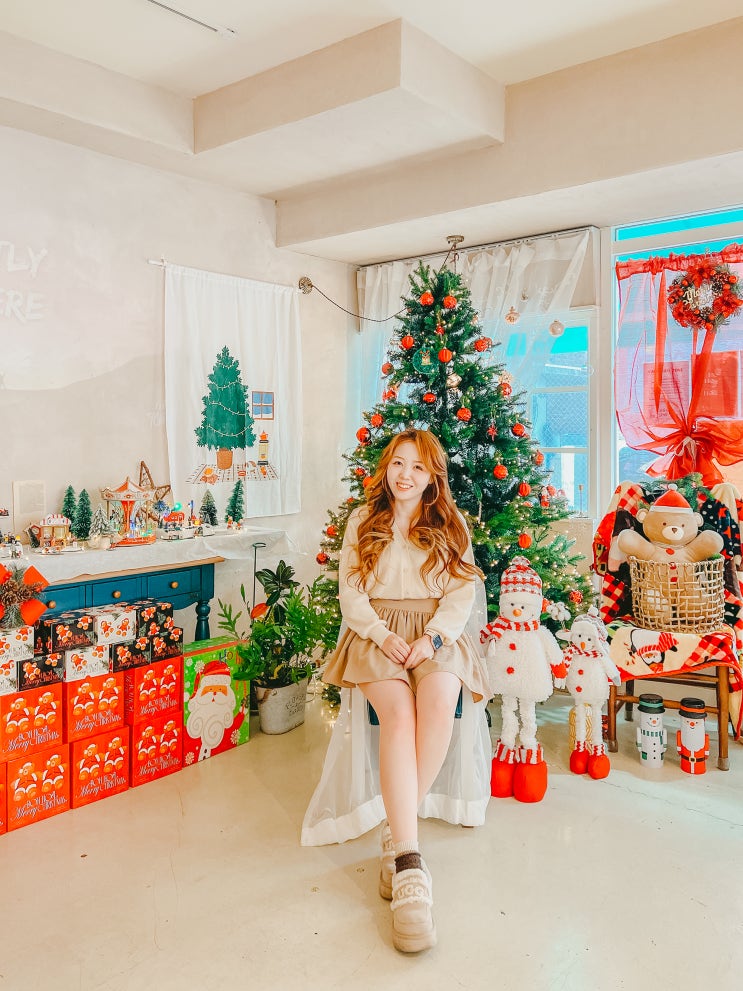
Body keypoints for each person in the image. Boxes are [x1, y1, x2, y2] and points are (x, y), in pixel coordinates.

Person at [302, 428, 491, 954]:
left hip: (436, 632)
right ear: (386, 468)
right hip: (376, 631)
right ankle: (409, 860)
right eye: (398, 463)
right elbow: (351, 593)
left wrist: (433, 639)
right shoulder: (364, 521)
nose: (405, 475)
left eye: (417, 466)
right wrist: (383, 635)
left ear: (432, 477)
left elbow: (460, 593)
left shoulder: (450, 524)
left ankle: (394, 827)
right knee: (399, 716)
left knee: (439, 704)